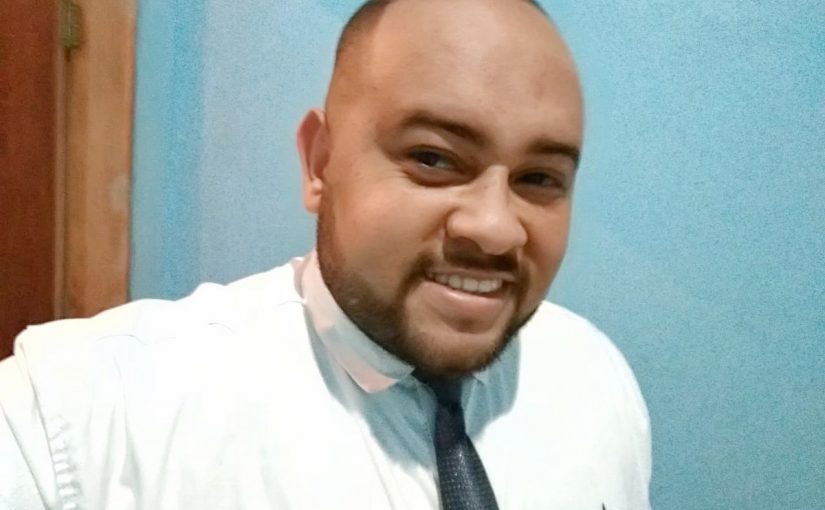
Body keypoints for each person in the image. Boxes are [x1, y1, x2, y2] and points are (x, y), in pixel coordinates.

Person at [0, 0, 651, 508]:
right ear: (320, 162)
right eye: (433, 158)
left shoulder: (595, 380)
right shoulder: (83, 418)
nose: (495, 228)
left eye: (539, 178)